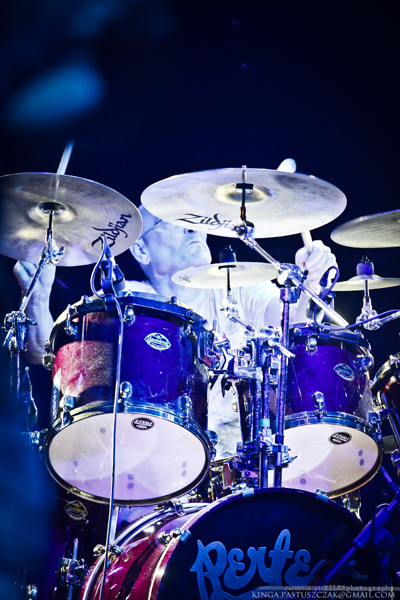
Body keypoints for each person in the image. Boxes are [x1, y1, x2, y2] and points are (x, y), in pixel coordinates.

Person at [14, 202, 337, 458]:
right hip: (150, 458)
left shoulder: (239, 283)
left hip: (245, 460)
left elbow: (291, 324)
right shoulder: (128, 303)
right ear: (142, 251)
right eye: (171, 222)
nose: (192, 228)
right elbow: (52, 359)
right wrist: (38, 298)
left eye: (193, 220)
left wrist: (312, 281)